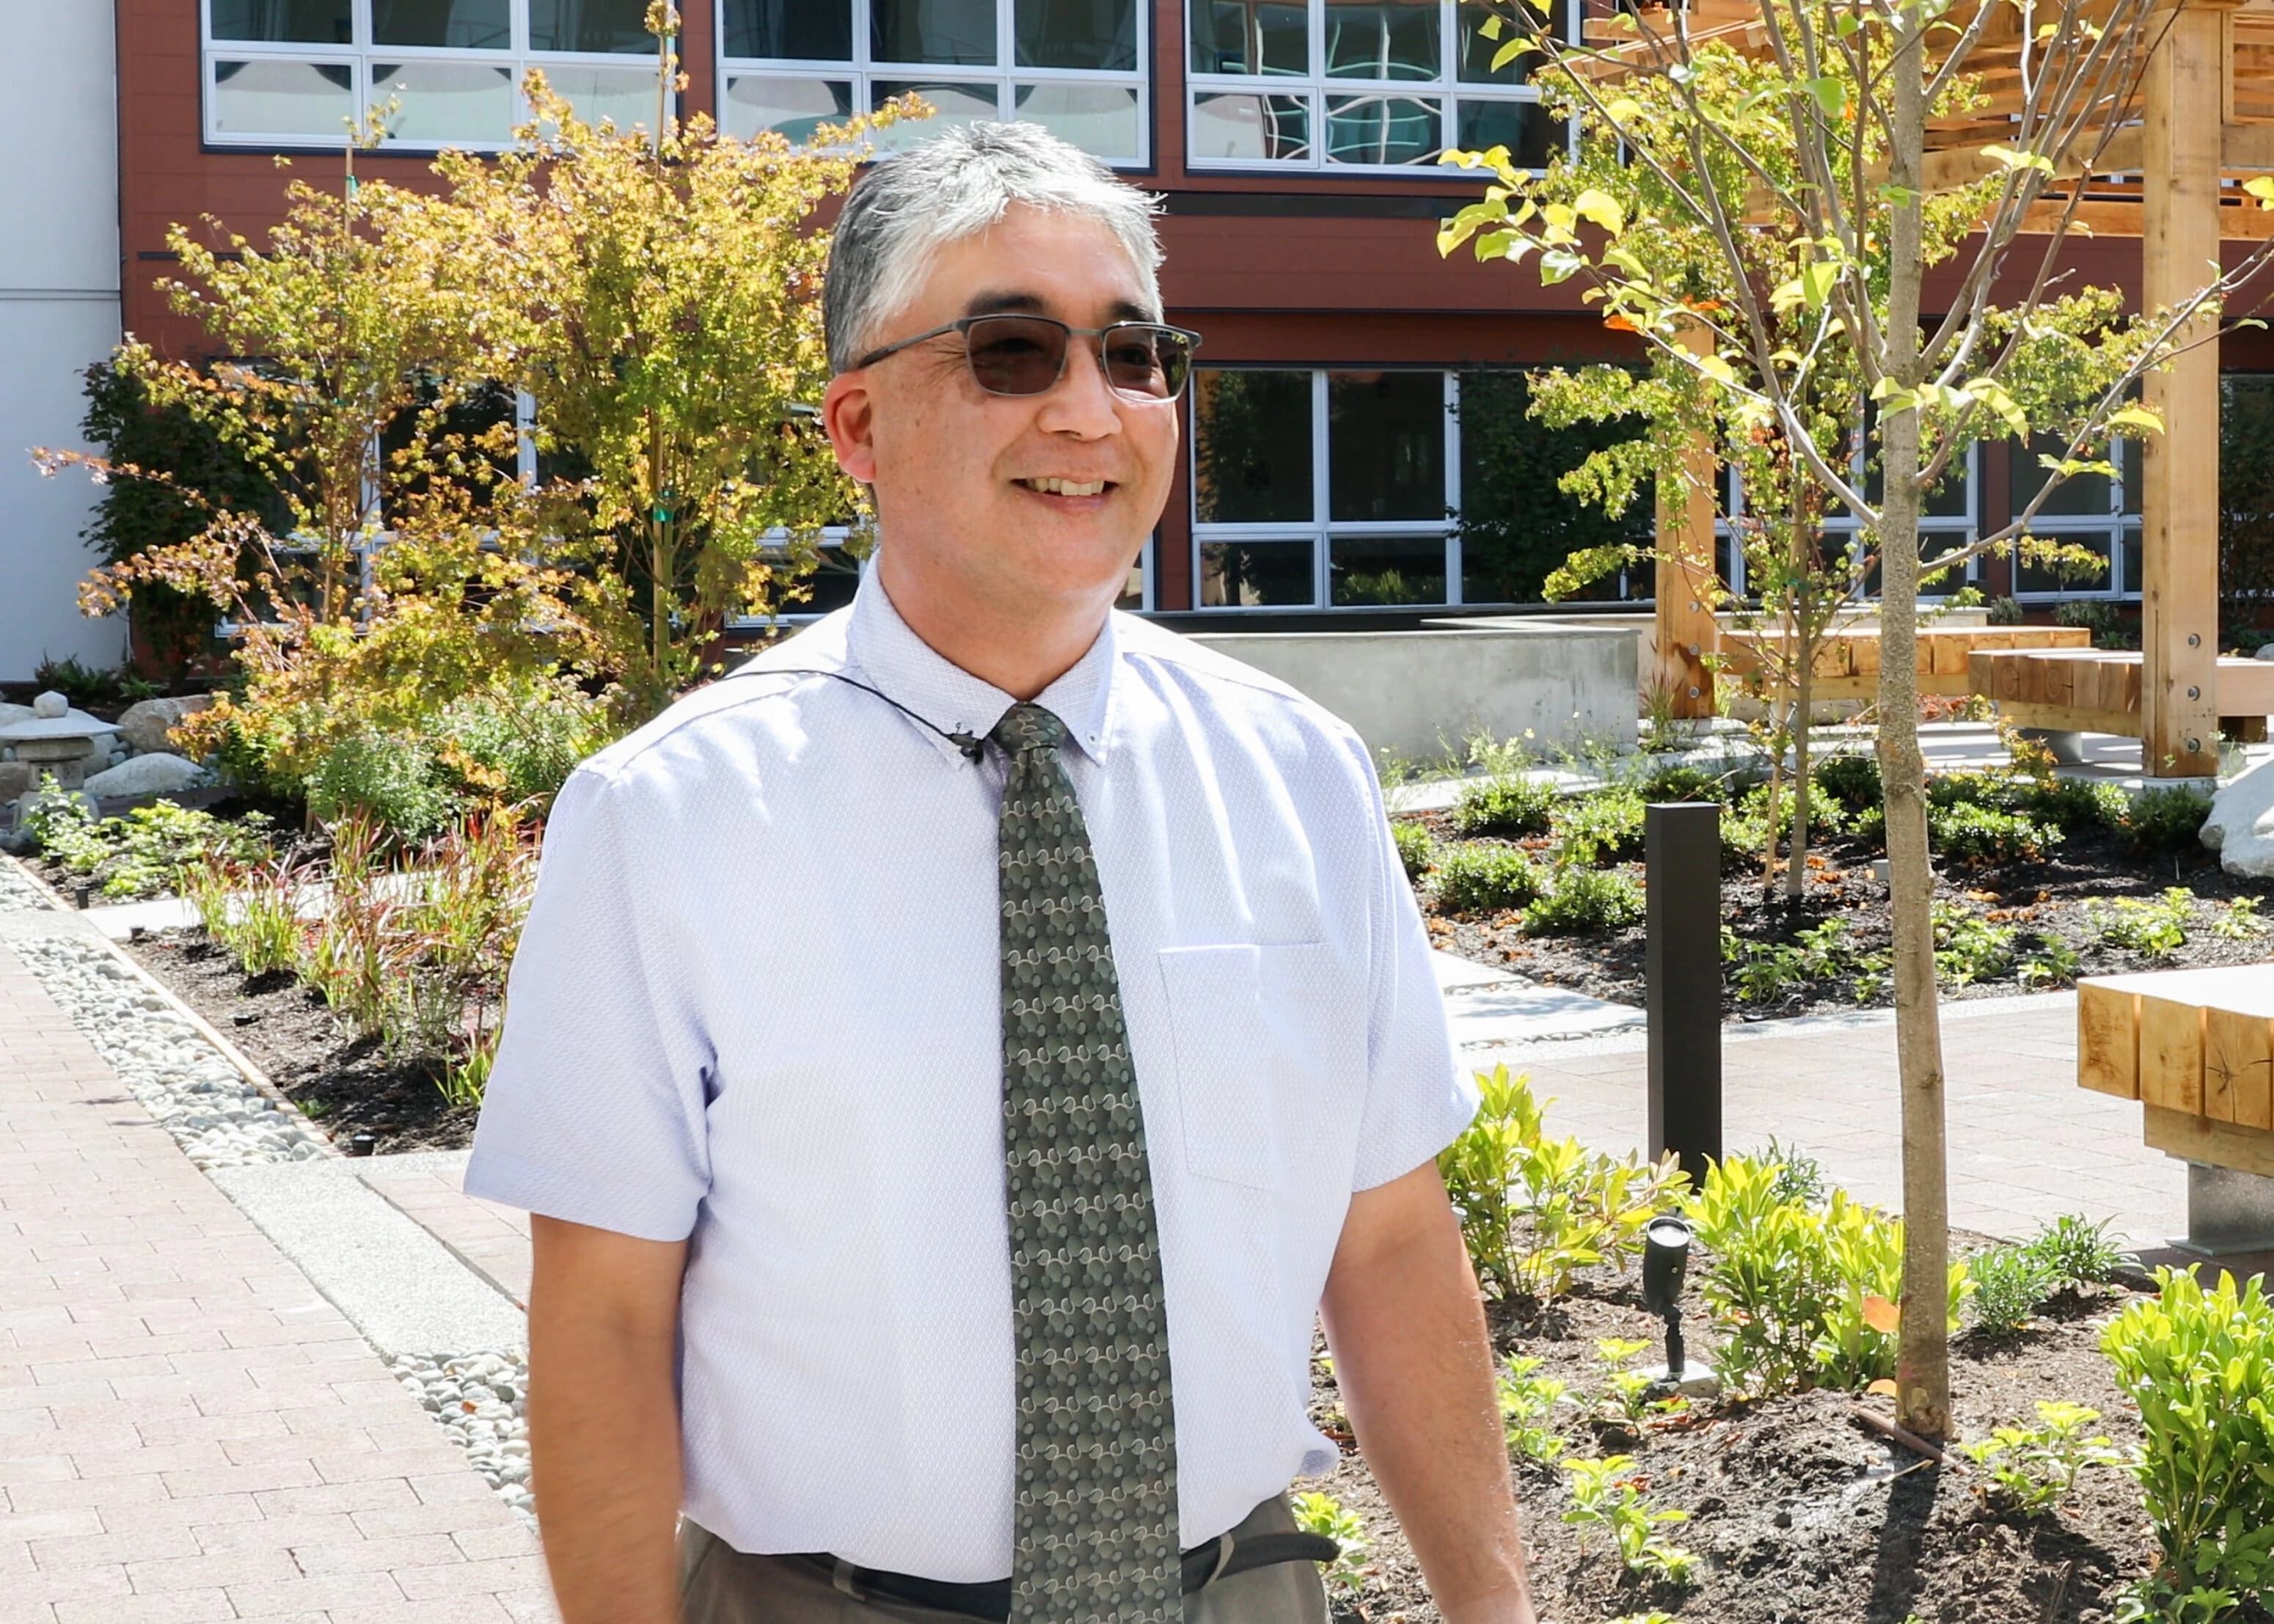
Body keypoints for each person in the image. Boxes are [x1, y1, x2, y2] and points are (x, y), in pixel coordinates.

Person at [464, 120, 1538, 1624]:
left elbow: (1390, 1236)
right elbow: (602, 1322)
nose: (1089, 412)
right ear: (856, 427)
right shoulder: (664, 819)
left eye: (1132, 352)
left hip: (1239, 1594)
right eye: (1011, 352)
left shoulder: (1296, 776)